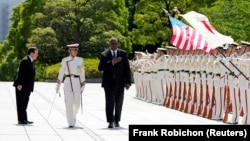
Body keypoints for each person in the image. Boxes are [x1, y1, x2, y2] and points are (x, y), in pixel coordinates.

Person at [98, 37, 131, 128]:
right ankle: (110, 121)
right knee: (109, 102)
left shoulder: (123, 54)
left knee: (119, 102)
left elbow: (127, 69)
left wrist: (128, 82)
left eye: (115, 43)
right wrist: (111, 62)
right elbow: (100, 68)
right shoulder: (104, 54)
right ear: (109, 44)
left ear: (117, 44)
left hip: (120, 83)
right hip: (108, 83)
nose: (114, 45)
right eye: (112, 43)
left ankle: (117, 120)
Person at [55, 43, 86, 128]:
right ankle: (70, 122)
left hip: (77, 82)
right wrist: (58, 84)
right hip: (68, 81)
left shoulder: (80, 60)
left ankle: (74, 116)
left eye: (77, 50)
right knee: (69, 103)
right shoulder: (65, 60)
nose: (76, 51)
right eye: (74, 50)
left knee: (77, 103)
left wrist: (83, 84)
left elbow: (82, 72)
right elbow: (61, 72)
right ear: (70, 51)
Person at [13, 47, 38, 125]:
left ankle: (25, 119)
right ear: (31, 53)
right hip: (22, 86)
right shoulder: (25, 60)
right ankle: (21, 120)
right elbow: (21, 73)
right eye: (36, 53)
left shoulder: (31, 61)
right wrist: (19, 84)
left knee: (25, 103)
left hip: (27, 87)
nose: (37, 55)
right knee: (21, 103)